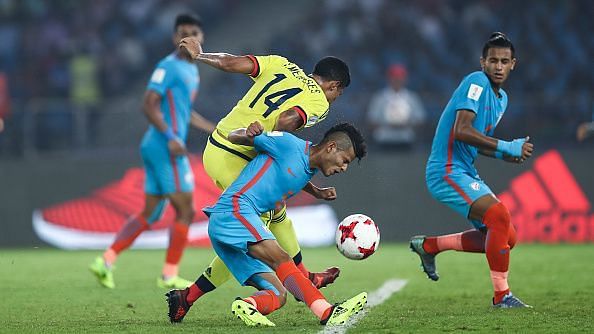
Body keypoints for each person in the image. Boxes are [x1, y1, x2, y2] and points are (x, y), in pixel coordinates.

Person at [176, 36, 351, 301]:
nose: (337, 98)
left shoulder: (280, 64)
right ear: (334, 85)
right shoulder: (320, 104)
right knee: (255, 237)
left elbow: (229, 62)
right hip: (237, 155)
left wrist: (199, 56)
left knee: (277, 210)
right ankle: (190, 296)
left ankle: (305, 277)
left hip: (218, 146)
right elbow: (286, 120)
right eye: (340, 93)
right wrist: (275, 138)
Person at [166, 121, 368, 326]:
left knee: (279, 294)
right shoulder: (289, 144)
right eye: (345, 160)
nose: (343, 168)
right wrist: (248, 132)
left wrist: (317, 192)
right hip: (235, 210)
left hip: (229, 223)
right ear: (331, 147)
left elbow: (292, 172)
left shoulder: (309, 167)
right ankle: (327, 312)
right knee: (281, 258)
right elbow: (234, 136)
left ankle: (238, 304)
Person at [89, 14, 216, 289]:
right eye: (183, 32)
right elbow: (148, 104)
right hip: (164, 147)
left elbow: (184, 111)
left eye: (194, 32)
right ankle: (169, 275)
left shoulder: (191, 69)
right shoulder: (168, 67)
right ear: (174, 38)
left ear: (202, 38)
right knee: (186, 210)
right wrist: (171, 137)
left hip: (159, 146)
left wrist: (213, 129)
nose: (189, 37)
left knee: (150, 213)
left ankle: (105, 261)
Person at [410, 32, 534, 308]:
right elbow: (462, 131)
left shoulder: (502, 99)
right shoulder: (475, 82)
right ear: (483, 62)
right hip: (446, 170)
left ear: (513, 63)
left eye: (504, 61)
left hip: (465, 170)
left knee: (506, 236)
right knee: (499, 218)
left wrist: (505, 153)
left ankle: (430, 246)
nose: (498, 66)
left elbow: (477, 141)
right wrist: (507, 146)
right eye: (493, 60)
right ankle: (502, 296)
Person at [366, 64, 426, 149]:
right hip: (384, 141)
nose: (397, 80)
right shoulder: (379, 97)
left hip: (406, 140)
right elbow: (371, 120)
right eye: (394, 78)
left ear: (405, 79)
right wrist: (388, 124)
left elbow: (420, 120)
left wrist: (405, 124)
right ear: (389, 79)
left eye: (400, 78)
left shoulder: (412, 98)